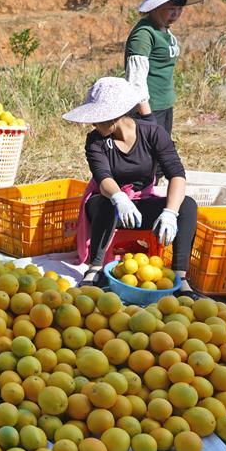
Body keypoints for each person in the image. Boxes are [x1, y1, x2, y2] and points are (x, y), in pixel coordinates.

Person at [64, 77, 198, 295]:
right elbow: (102, 176)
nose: (93, 124)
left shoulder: (153, 133)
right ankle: (95, 269)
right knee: (106, 203)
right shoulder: (95, 141)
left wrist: (170, 212)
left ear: (115, 115)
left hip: (141, 203)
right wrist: (118, 197)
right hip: (107, 207)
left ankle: (181, 277)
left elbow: (177, 174)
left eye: (97, 118)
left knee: (188, 206)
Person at [125, 0, 205, 137]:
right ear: (155, 6)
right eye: (170, 9)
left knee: (161, 157)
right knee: (151, 159)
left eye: (179, 9)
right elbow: (135, 81)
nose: (176, 14)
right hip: (150, 109)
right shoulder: (143, 35)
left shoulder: (164, 29)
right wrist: (147, 117)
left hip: (164, 106)